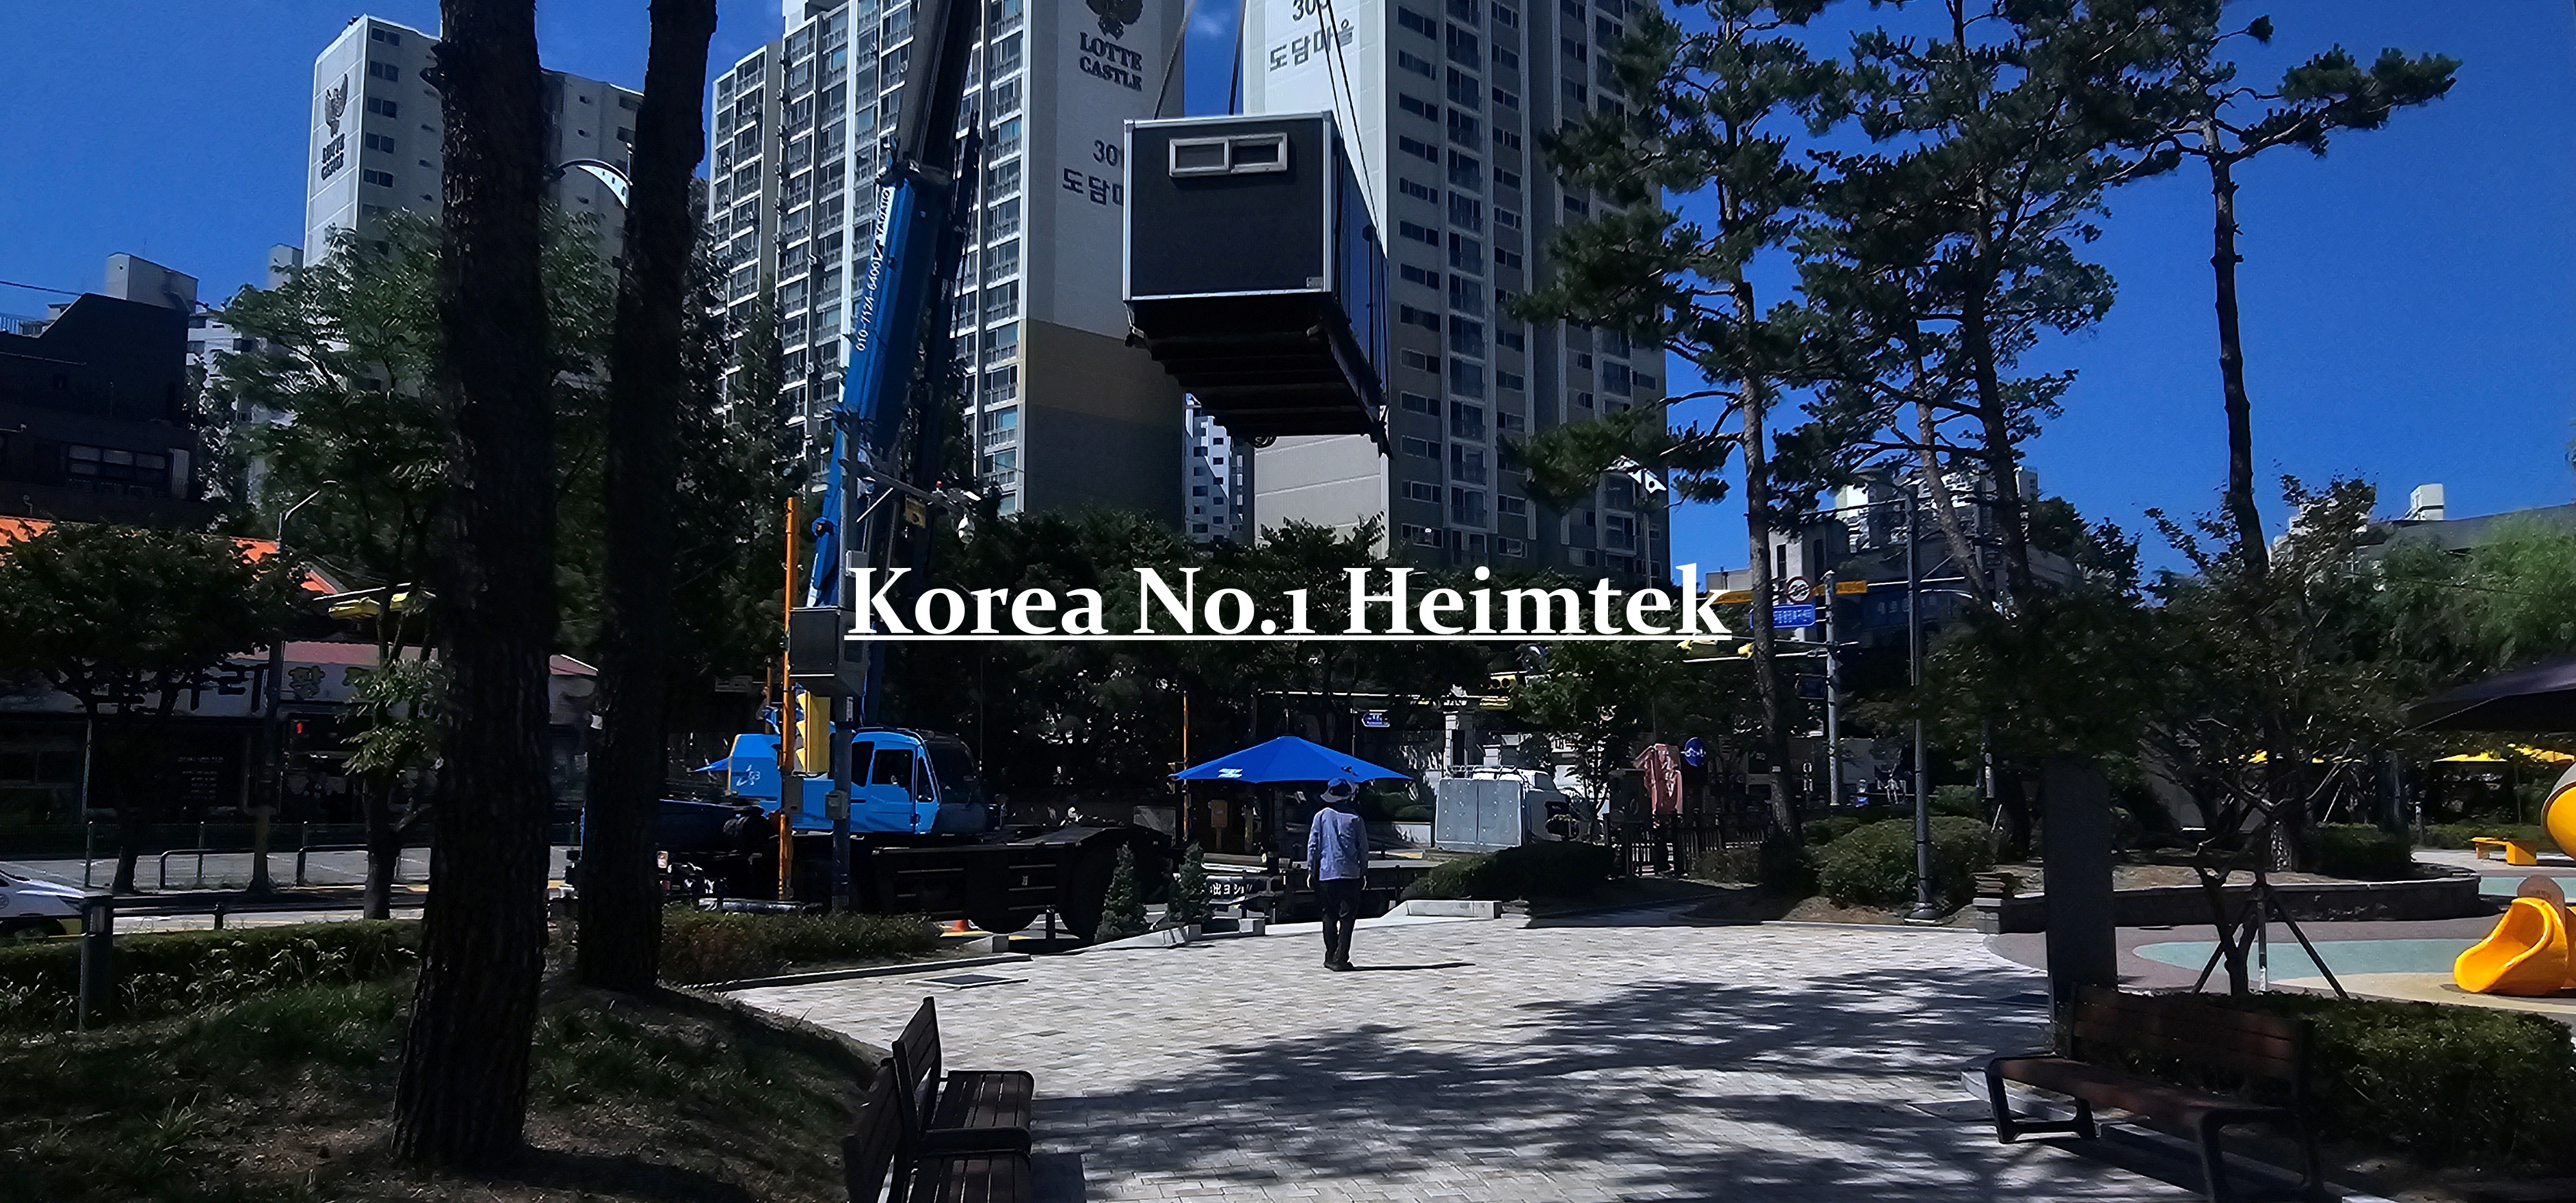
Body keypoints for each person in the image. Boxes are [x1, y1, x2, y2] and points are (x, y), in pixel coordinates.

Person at [1305, 777, 1367, 971]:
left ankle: (1330, 955)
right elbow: (1363, 848)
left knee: (1328, 915)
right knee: (1347, 918)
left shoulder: (1321, 817)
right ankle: (1341, 957)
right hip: (1351, 874)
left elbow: (1313, 847)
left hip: (1326, 873)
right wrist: (1363, 871)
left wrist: (1311, 871)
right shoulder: (1355, 819)